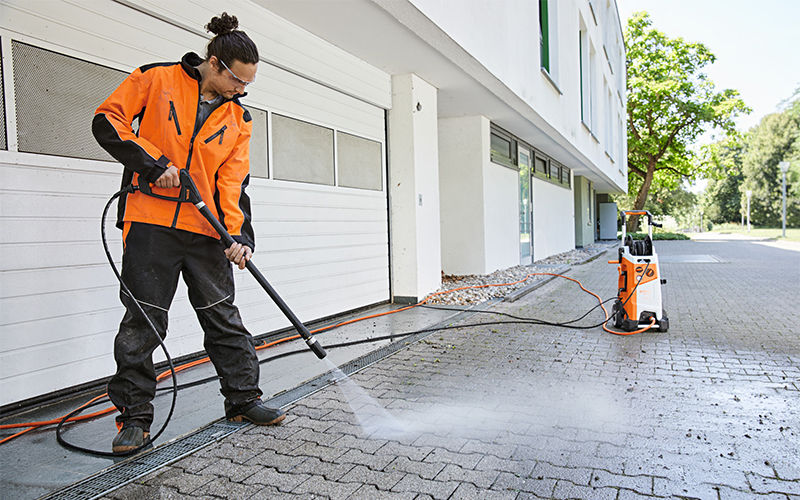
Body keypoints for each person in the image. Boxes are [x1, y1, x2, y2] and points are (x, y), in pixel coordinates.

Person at [93, 13, 284, 453]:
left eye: (246, 85)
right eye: (237, 80)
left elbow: (234, 184)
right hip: (150, 223)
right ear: (215, 63)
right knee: (143, 322)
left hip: (205, 232)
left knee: (223, 317)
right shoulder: (154, 79)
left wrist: (239, 239)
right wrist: (153, 164)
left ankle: (242, 399)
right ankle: (134, 420)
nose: (241, 90)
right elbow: (108, 120)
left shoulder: (240, 118)